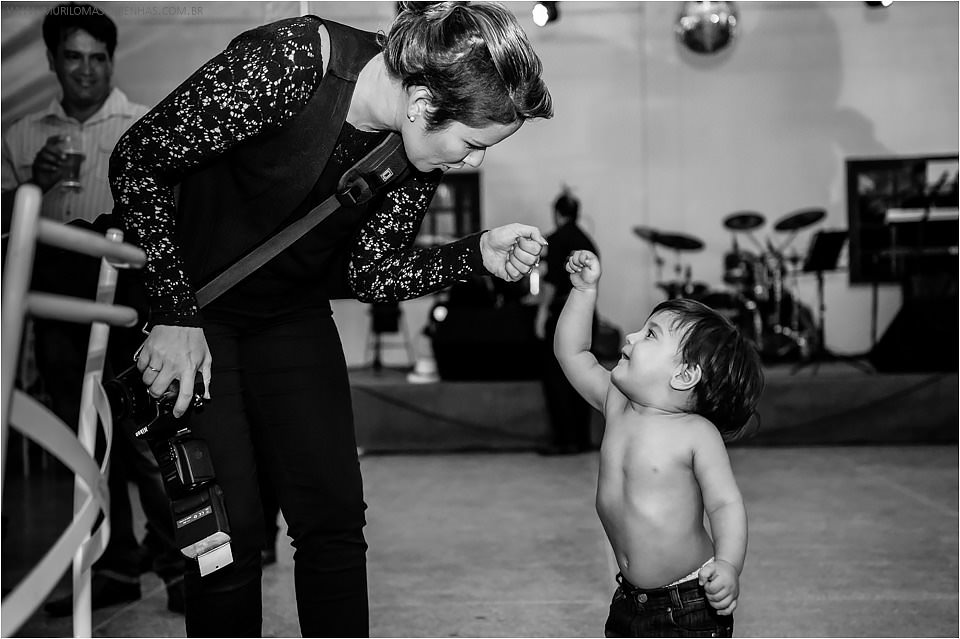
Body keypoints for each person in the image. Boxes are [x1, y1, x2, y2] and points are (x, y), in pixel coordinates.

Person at [108, 2, 552, 636]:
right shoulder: (290, 61)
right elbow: (137, 158)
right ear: (422, 102)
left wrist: (474, 254)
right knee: (226, 538)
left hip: (290, 316)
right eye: (474, 144)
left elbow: (372, 273)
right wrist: (174, 313)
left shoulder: (415, 150)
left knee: (334, 521)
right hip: (195, 316)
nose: (473, 162)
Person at [0, 2, 186, 616]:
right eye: (73, 57)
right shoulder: (20, 136)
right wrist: (35, 184)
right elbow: (7, 230)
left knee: (145, 439)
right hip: (55, 305)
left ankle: (179, 568)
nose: (86, 70)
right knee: (80, 440)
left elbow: (167, 219)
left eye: (97, 58)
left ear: (112, 61)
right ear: (52, 61)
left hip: (129, 299)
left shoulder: (144, 125)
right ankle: (113, 567)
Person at [554, 250, 764, 638]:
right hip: (629, 601)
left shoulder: (695, 433)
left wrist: (729, 564)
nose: (631, 336)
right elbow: (573, 353)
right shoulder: (617, 403)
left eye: (650, 334)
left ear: (684, 375)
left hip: (689, 605)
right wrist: (584, 291)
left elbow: (725, 504)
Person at [535, 188, 598, 454]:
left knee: (556, 376)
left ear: (557, 213)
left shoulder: (556, 239)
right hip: (587, 314)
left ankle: (564, 440)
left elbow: (550, 282)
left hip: (563, 312)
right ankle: (582, 439)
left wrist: (541, 313)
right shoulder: (587, 241)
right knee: (582, 375)